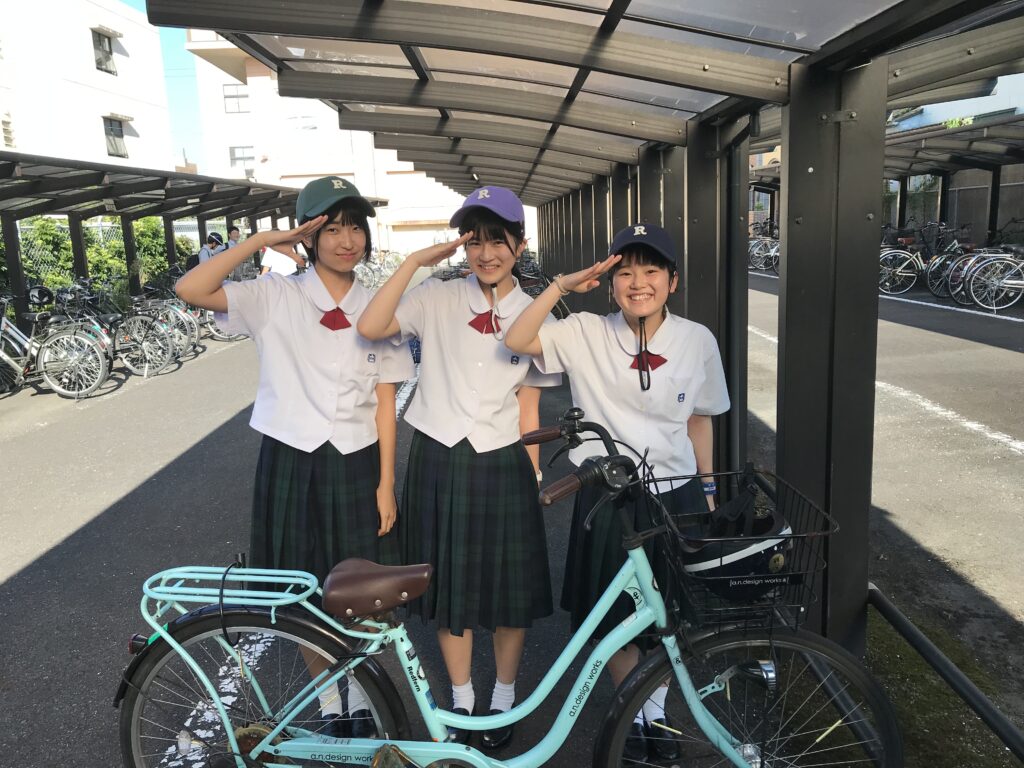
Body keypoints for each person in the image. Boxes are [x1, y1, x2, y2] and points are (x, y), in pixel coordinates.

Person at [175, 176, 414, 738]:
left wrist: (386, 484)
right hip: (290, 460)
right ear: (309, 235)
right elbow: (191, 288)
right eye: (331, 229)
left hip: (357, 462)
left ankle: (360, 699)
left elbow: (386, 404)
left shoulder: (379, 307)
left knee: (358, 594)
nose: (347, 240)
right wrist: (262, 242)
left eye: (355, 227)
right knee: (303, 591)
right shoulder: (274, 296)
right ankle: (330, 705)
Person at [505, 223, 730, 763]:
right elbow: (517, 339)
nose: (638, 283)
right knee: (616, 619)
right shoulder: (584, 330)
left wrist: (708, 488)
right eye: (625, 272)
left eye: (651, 271)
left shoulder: (697, 340)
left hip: (675, 494)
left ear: (672, 281)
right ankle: (633, 714)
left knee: (668, 614)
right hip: (608, 495)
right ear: (610, 283)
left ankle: (657, 714)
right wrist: (561, 287)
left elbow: (700, 420)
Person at [358, 186, 560, 750]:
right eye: (475, 242)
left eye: (498, 240)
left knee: (508, 592)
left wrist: (534, 473)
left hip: (504, 460)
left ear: (520, 244)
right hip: (439, 458)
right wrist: (414, 263)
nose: (486, 253)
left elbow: (528, 405)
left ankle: (504, 696)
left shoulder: (535, 312)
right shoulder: (436, 297)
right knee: (451, 586)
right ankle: (463, 698)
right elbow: (371, 326)